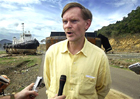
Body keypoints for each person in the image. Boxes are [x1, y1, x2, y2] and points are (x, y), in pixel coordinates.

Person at [44, 2, 112, 99]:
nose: (68, 25)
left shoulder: (99, 56)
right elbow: (48, 83)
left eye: (74, 21)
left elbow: (103, 89)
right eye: (65, 21)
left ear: (87, 24)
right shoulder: (52, 52)